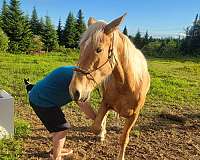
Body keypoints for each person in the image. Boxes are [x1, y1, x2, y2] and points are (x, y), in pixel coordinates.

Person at [24, 66, 96, 160]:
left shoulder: (74, 70)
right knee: (61, 130)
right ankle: (56, 157)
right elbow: (82, 103)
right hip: (42, 102)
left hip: (37, 95)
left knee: (57, 128)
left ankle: (56, 149)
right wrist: (97, 119)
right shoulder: (78, 79)